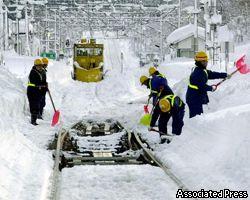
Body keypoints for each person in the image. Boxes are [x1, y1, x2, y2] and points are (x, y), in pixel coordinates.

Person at [186, 51, 230, 118]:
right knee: (196, 118)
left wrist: (224, 75)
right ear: (200, 62)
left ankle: (197, 127)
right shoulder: (198, 72)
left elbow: (211, 74)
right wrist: (211, 88)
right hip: (194, 98)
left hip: (195, 96)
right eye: (204, 61)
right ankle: (195, 128)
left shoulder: (201, 70)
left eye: (206, 61)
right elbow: (202, 86)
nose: (206, 63)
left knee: (198, 117)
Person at [27, 58, 47, 125]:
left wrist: (45, 87)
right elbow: (35, 82)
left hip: (38, 91)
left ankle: (37, 117)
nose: (40, 67)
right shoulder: (33, 72)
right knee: (34, 105)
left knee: (38, 104)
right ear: (35, 66)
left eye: (41, 65)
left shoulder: (42, 71)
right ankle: (33, 121)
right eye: (38, 66)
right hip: (32, 91)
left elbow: (43, 81)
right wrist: (43, 85)